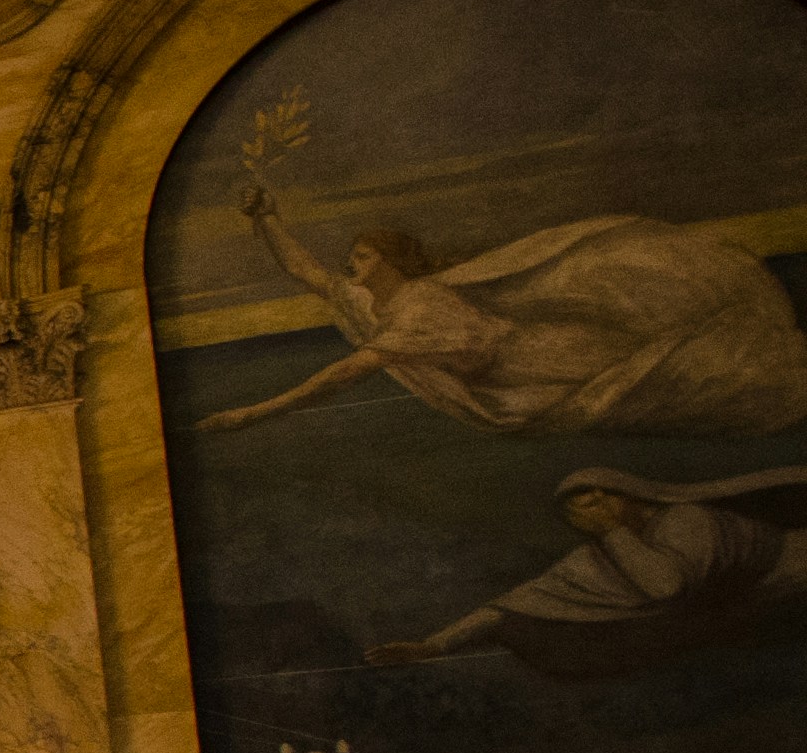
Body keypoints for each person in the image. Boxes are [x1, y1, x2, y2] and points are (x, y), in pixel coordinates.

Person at [202, 190, 807, 438]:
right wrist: (266, 216)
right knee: (655, 382)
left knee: (668, 372)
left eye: (362, 255)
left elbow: (340, 376)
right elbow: (304, 271)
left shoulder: (418, 310)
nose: (351, 263)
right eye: (354, 256)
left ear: (389, 261)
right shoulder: (366, 300)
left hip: (541, 353)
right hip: (514, 376)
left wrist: (255, 411)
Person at [364, 464, 807, 675]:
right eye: (579, 514)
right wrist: (434, 645)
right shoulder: (600, 557)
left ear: (626, 492)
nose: (592, 516)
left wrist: (613, 532)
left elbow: (666, 584)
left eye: (598, 501)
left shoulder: (685, 519)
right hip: (758, 612)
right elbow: (514, 604)